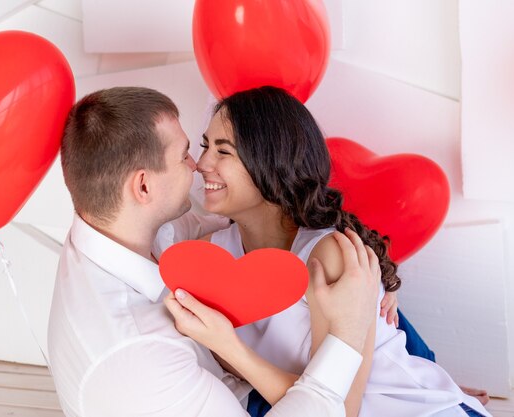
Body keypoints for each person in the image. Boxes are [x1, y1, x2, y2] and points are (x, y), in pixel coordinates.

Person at [47, 86, 382, 417]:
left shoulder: (135, 233)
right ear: (144, 186)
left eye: (219, 151)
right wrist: (350, 332)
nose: (199, 164)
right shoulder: (141, 356)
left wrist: (381, 285)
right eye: (186, 154)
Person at [167, 86, 491, 417]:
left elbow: (341, 409)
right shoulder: (209, 255)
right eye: (206, 146)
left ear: (271, 161)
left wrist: (228, 347)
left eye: (223, 151)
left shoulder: (328, 257)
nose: (202, 163)